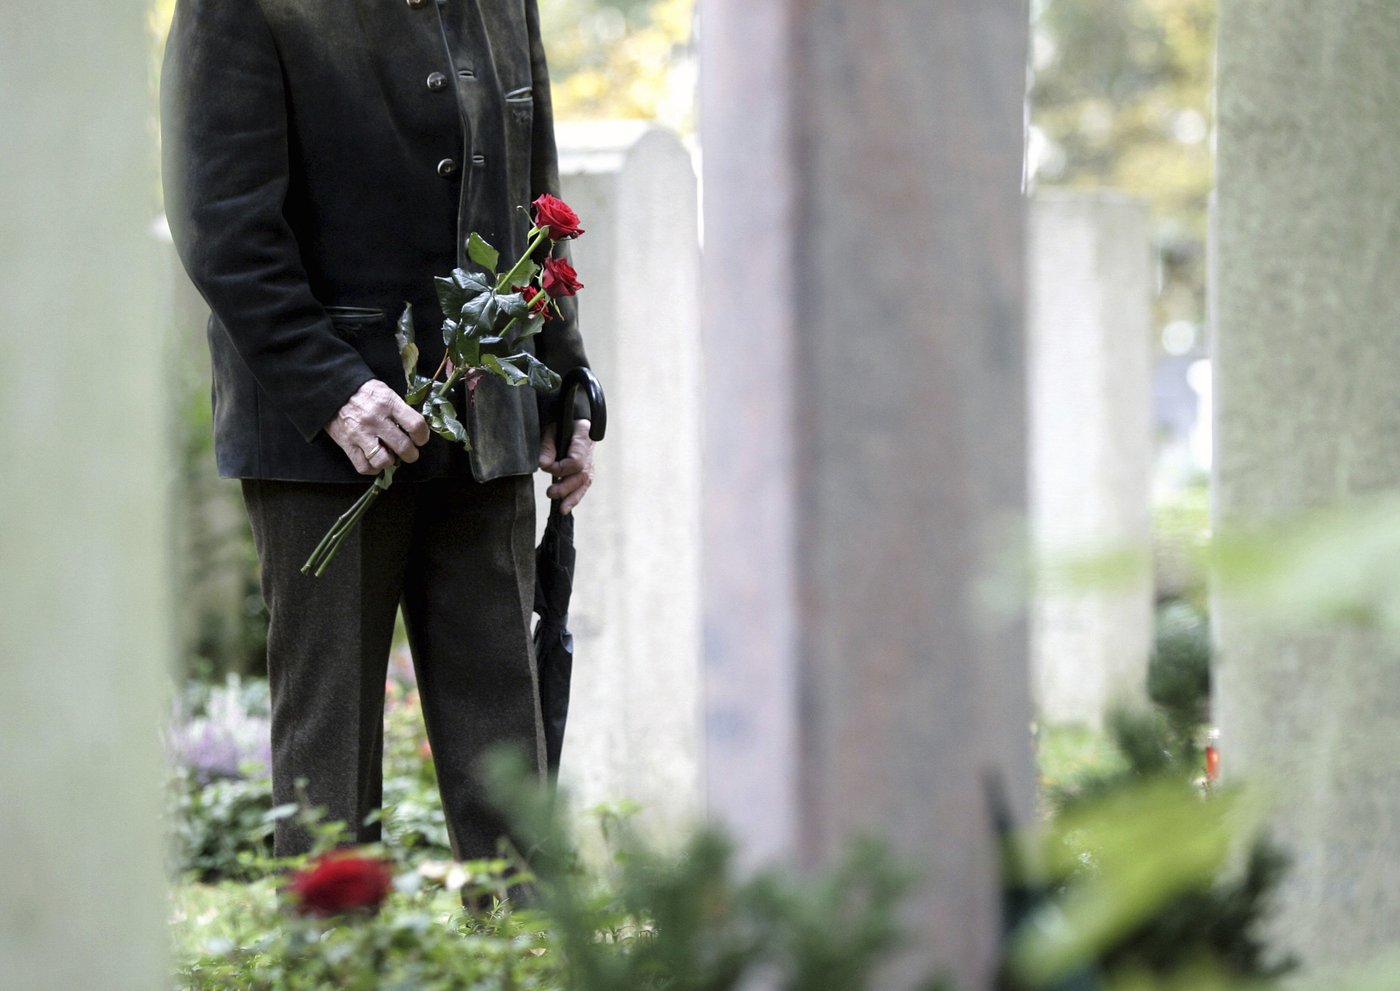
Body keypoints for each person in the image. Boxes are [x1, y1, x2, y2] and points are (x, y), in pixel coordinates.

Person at [161, 0, 595, 863]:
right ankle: (335, 962)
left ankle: (514, 953)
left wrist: (565, 386)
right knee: (328, 776)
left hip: (490, 416)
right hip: (324, 440)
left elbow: (534, 201)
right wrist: (333, 388)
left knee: (512, 773)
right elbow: (222, 223)